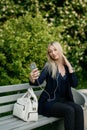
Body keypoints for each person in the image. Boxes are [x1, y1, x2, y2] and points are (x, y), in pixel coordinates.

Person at [29, 41, 84, 130]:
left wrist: (69, 66)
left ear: (60, 50)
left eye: (55, 50)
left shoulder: (66, 67)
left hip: (63, 101)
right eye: (50, 51)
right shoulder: (49, 66)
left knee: (78, 109)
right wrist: (31, 78)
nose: (53, 53)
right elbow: (37, 82)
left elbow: (75, 84)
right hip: (49, 102)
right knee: (69, 110)